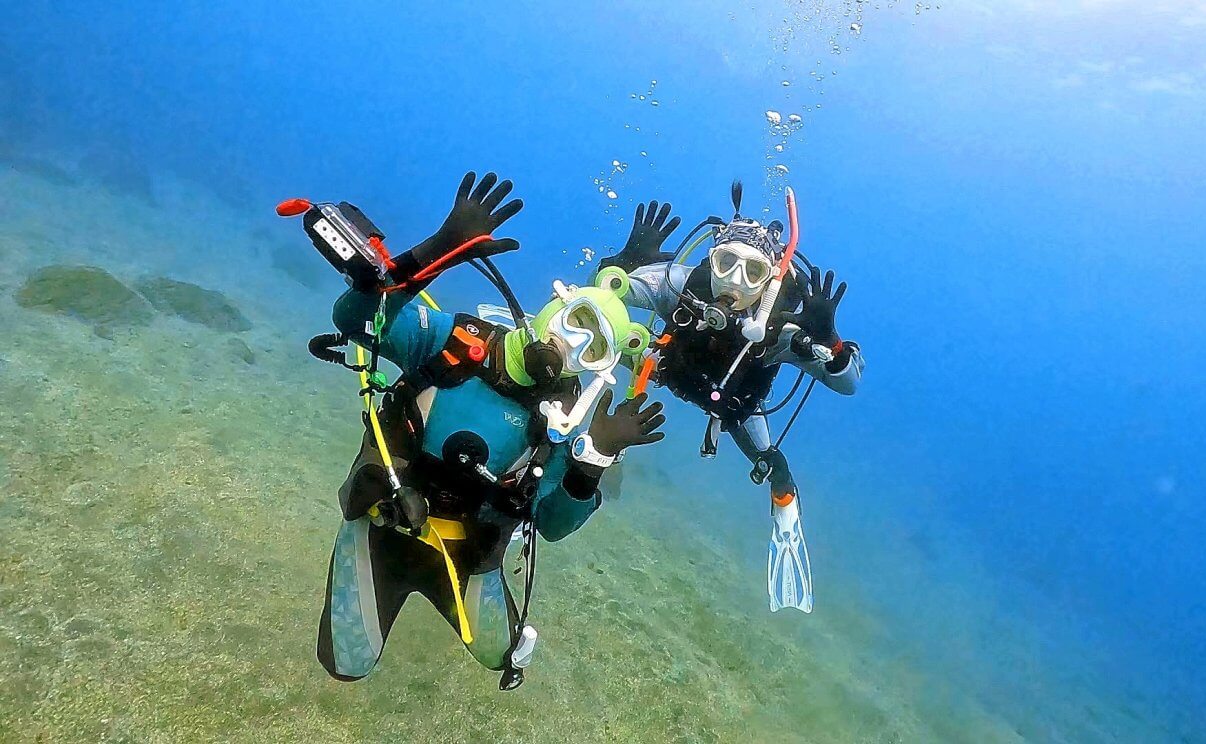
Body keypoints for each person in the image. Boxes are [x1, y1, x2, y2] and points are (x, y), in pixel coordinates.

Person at [281, 172, 666, 690]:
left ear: (600, 367)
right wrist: (437, 250)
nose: (571, 344)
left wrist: (592, 463)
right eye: (574, 320)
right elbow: (354, 317)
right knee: (346, 665)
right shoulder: (456, 341)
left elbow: (551, 524)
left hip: (470, 555)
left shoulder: (563, 423)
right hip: (381, 521)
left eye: (593, 349)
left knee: (502, 659)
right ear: (555, 306)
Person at [595, 183, 863, 613]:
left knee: (771, 462)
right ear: (711, 258)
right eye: (725, 263)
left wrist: (829, 342)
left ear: (770, 281)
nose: (733, 282)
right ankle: (545, 363)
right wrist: (623, 266)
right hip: (662, 368)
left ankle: (785, 500)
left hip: (735, 408)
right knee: (599, 339)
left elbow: (847, 383)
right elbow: (608, 293)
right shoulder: (679, 285)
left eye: (752, 273)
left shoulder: (782, 328)